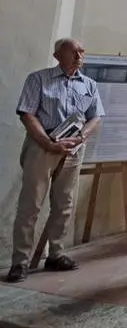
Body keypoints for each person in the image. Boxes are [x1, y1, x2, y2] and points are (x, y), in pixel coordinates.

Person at [7, 38, 105, 283]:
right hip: (44, 147)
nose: (80, 55)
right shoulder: (38, 79)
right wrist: (47, 142)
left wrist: (81, 136)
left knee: (65, 203)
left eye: (82, 51)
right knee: (31, 205)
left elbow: (96, 116)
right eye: (74, 51)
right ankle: (20, 261)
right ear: (58, 55)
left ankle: (56, 253)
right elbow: (27, 114)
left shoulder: (89, 84)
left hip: (73, 149)